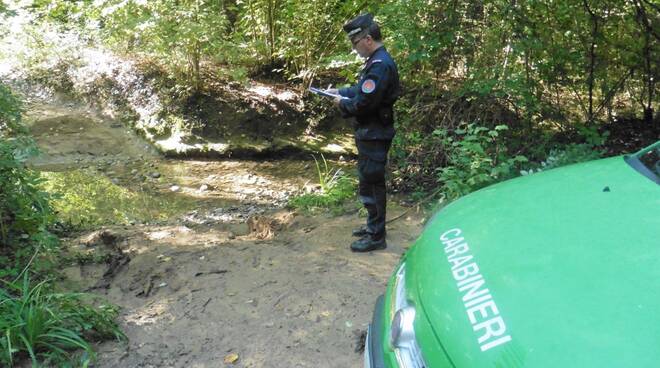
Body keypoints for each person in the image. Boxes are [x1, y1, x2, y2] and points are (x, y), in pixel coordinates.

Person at [327, 13, 400, 252]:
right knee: (367, 182)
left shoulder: (380, 65)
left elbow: (364, 103)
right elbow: (361, 90)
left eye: (355, 43)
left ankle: (376, 236)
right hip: (371, 132)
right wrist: (339, 91)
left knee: (373, 182)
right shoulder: (376, 62)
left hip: (375, 133)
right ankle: (373, 226)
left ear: (368, 39)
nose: (354, 48)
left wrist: (341, 103)